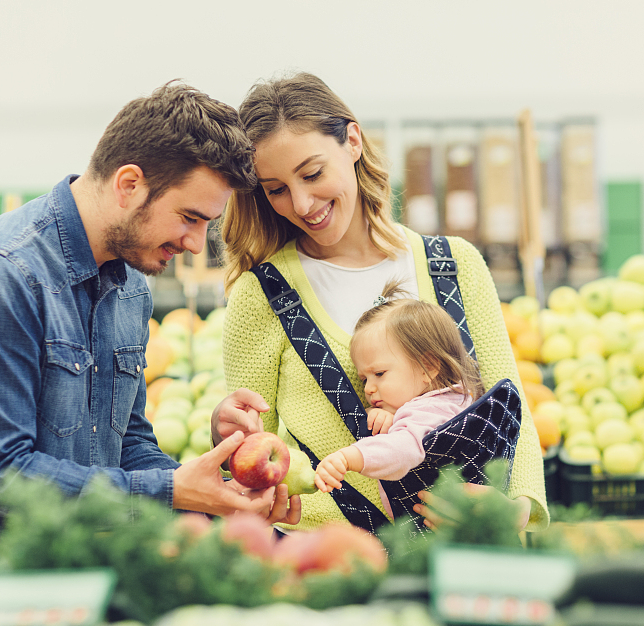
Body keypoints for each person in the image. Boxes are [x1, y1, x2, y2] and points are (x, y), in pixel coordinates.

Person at [0, 82, 301, 533]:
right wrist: (171, 491)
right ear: (129, 184)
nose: (196, 243)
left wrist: (217, 490)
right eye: (189, 218)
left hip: (84, 559)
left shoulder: (131, 289)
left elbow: (128, 444)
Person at [212, 72, 548, 532]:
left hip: (464, 547)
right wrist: (231, 450)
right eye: (276, 189)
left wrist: (515, 509)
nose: (303, 202)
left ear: (352, 141)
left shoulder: (453, 265)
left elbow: (511, 412)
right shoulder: (262, 294)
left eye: (312, 173)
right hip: (327, 555)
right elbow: (251, 449)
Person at [313, 281, 483, 513]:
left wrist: (349, 457)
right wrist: (391, 415)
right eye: (364, 379)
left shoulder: (430, 409)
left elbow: (402, 450)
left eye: (379, 374)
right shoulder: (456, 399)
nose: (368, 389)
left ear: (428, 367)